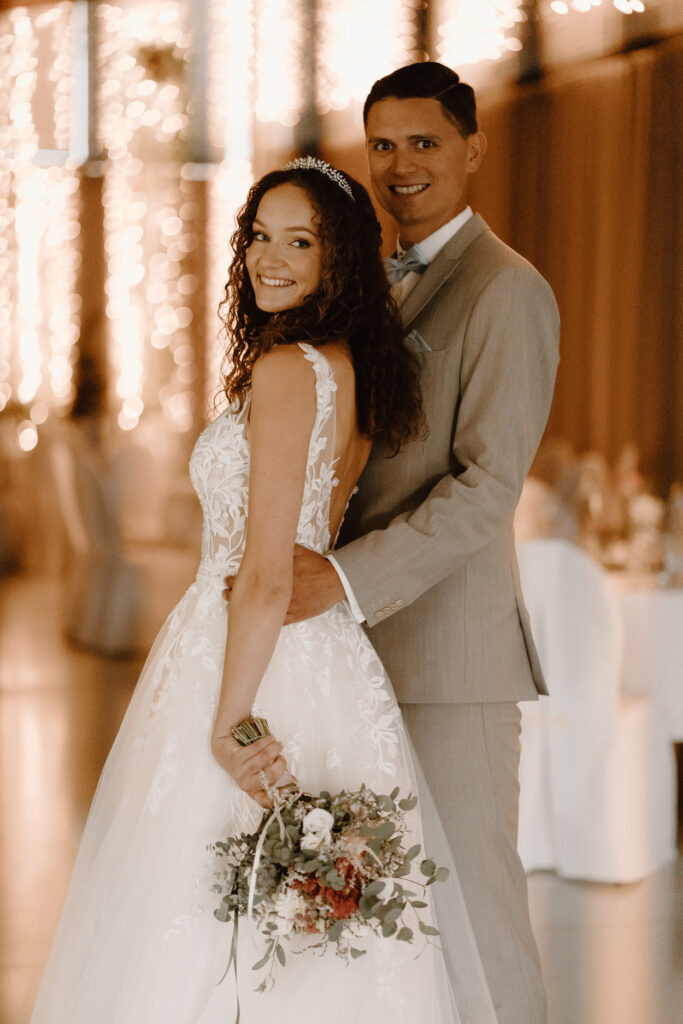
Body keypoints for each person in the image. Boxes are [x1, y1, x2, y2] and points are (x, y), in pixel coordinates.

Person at [27, 160, 496, 1024]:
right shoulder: (350, 369)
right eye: (258, 236)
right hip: (327, 663)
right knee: (310, 940)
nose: (267, 258)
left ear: (337, 259)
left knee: (208, 909)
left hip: (250, 655)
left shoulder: (287, 371)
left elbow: (268, 571)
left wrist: (230, 720)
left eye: (299, 241)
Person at [265, 63, 561, 1024]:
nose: (400, 164)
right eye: (382, 145)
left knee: (474, 913)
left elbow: (487, 489)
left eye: (424, 142)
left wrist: (342, 579)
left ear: (473, 148)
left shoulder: (506, 289)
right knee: (374, 918)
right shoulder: (361, 287)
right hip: (343, 659)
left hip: (449, 659)